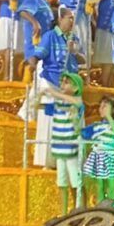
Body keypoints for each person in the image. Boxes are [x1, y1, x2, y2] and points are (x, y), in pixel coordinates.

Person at [26, 6, 81, 168]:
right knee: (49, 122)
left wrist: (74, 51)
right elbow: (38, 54)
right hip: (51, 82)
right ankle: (46, 162)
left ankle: (64, 160)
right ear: (60, 19)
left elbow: (82, 57)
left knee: (66, 124)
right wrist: (32, 64)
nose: (72, 21)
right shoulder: (50, 36)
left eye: (73, 18)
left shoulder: (73, 38)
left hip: (69, 87)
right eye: (69, 18)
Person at [43, 72, 84, 214]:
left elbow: (77, 103)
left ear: (76, 87)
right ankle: (64, 211)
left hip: (71, 149)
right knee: (62, 182)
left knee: (75, 182)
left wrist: (54, 93)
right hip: (59, 149)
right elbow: (41, 107)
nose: (62, 85)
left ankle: (79, 209)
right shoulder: (58, 103)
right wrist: (38, 98)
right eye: (62, 82)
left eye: (67, 82)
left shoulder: (77, 101)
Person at [82, 96, 114, 204]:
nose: (102, 108)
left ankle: (112, 209)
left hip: (110, 157)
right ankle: (100, 210)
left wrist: (109, 117)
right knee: (99, 185)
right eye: (101, 106)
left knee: (111, 186)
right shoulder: (96, 126)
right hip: (98, 157)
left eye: (105, 106)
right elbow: (82, 133)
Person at [19, 0, 55, 84]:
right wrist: (35, 23)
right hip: (35, 44)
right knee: (33, 75)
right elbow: (23, 11)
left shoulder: (43, 1)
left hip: (44, 46)